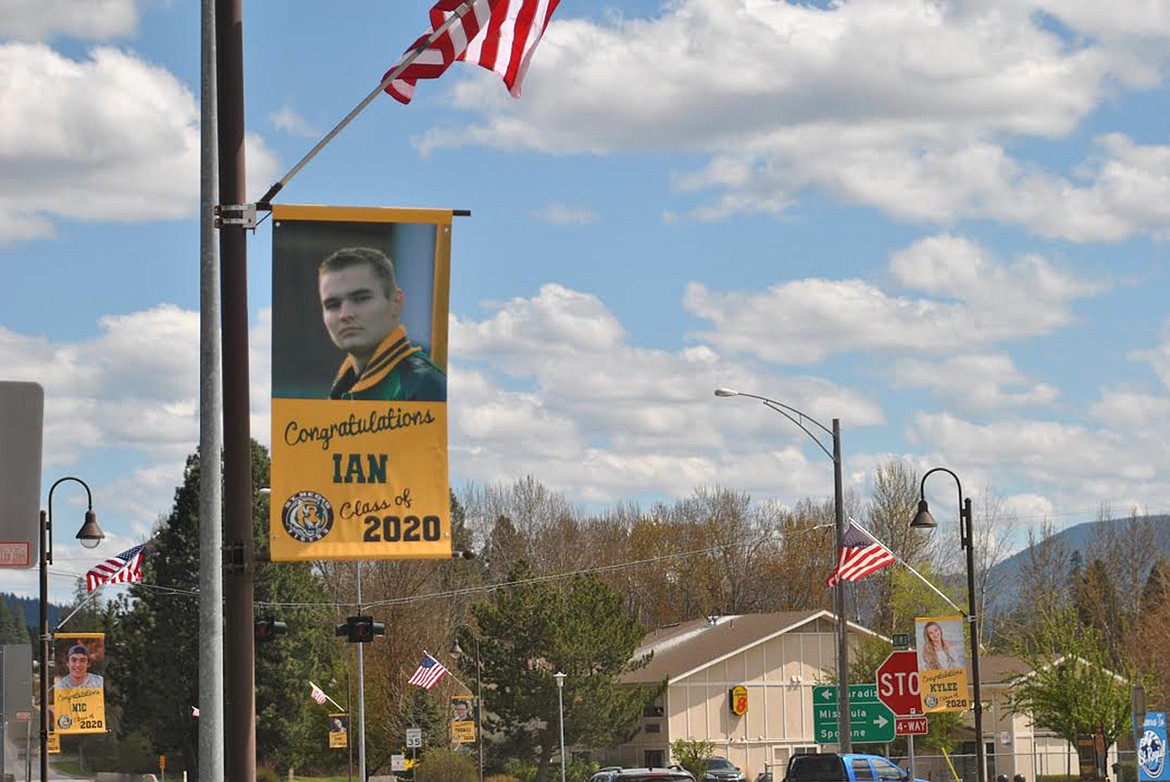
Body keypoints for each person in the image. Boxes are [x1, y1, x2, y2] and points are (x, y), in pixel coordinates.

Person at [318, 246, 446, 402]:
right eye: (332, 305)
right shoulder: (342, 387)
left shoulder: (422, 385)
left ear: (395, 302)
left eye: (360, 299)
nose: (345, 315)